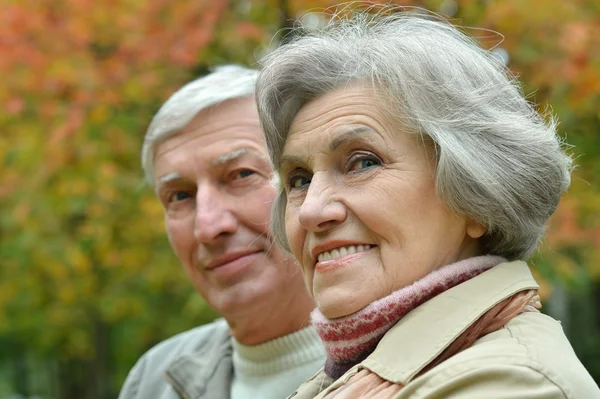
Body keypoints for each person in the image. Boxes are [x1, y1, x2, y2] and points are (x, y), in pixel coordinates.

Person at [255, 9, 600, 398]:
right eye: (299, 179)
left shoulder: (512, 384)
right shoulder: (357, 375)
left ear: (476, 194)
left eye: (363, 162)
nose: (312, 210)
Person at [118, 65, 325, 399]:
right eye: (180, 196)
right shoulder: (154, 382)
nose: (208, 227)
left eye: (241, 174)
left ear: (305, 182)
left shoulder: (416, 366)